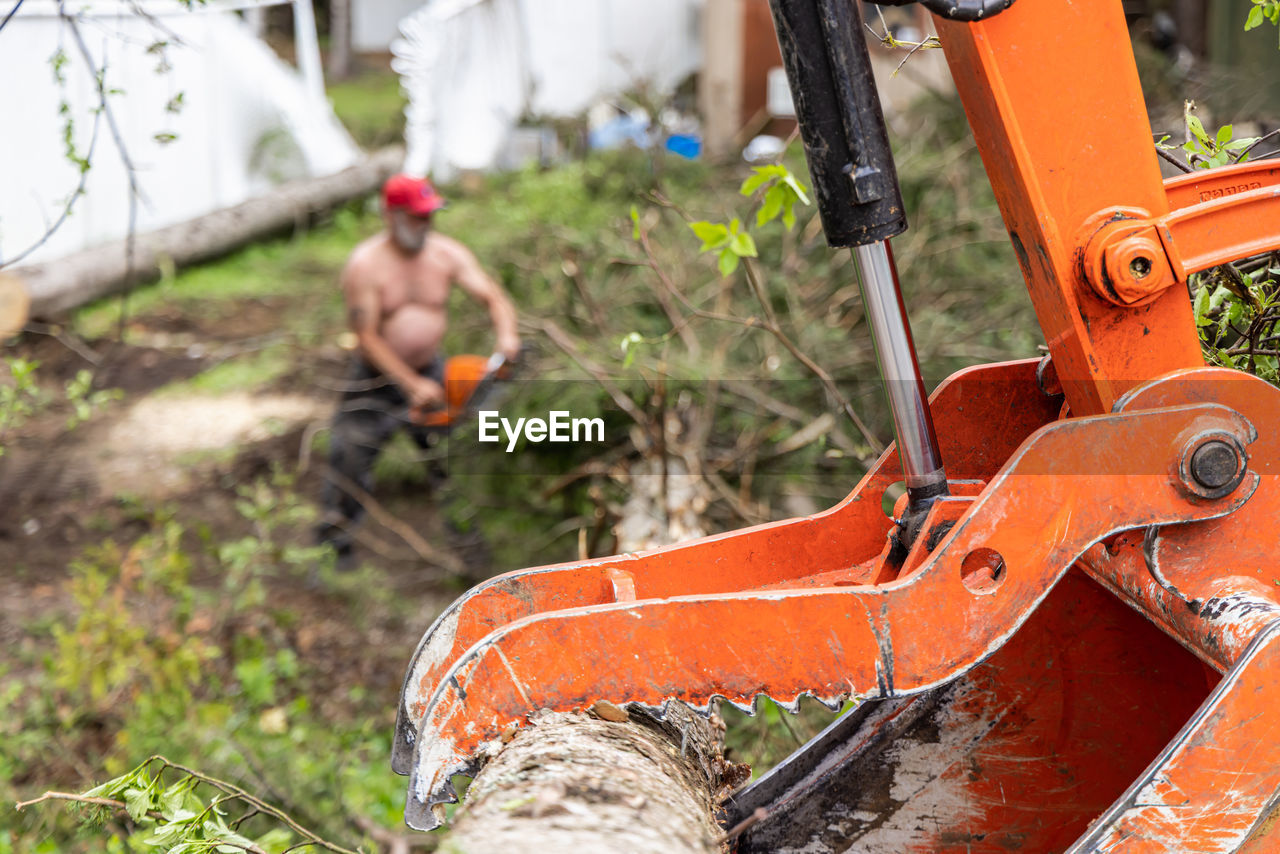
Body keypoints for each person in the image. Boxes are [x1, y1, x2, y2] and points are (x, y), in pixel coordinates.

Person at [316, 173, 520, 564]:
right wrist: (409, 384)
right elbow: (366, 336)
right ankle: (334, 556)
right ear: (392, 215)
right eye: (416, 217)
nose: (425, 224)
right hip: (375, 380)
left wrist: (506, 337)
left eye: (429, 216)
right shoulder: (366, 265)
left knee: (453, 461)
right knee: (349, 460)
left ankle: (474, 556)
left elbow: (493, 296)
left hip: (432, 371)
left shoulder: (446, 254)